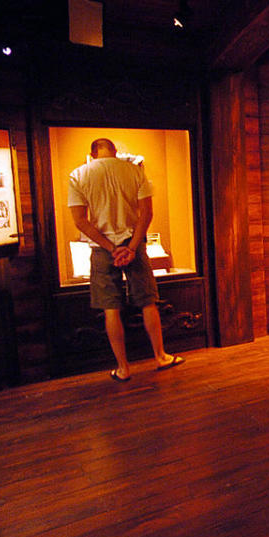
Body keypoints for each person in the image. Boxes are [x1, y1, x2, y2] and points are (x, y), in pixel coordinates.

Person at [68, 138, 184, 382]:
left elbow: (80, 220)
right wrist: (130, 248)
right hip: (134, 242)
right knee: (147, 301)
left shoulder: (78, 175)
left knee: (111, 306)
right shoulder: (134, 171)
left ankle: (123, 368)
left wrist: (110, 248)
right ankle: (160, 356)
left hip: (102, 248)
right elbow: (147, 213)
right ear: (115, 152)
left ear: (92, 153)